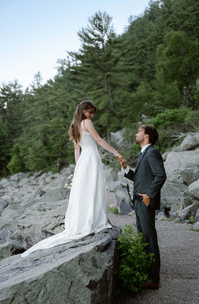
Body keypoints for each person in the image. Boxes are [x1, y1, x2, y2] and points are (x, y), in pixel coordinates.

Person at [22, 100, 123, 257]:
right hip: (91, 158)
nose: (91, 116)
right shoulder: (86, 122)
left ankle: (88, 219)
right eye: (90, 112)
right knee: (94, 188)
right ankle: (95, 219)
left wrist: (78, 167)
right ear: (84, 111)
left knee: (87, 190)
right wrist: (115, 152)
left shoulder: (74, 126)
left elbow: (77, 149)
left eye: (92, 113)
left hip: (83, 160)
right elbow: (99, 140)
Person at [120, 125, 166, 289]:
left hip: (145, 200)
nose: (136, 133)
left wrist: (149, 195)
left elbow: (161, 175)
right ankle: (146, 273)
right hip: (140, 200)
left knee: (149, 237)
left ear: (146, 136)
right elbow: (141, 178)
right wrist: (126, 169)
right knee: (143, 237)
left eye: (138, 131)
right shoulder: (143, 153)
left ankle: (153, 279)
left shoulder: (152, 152)